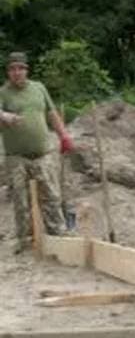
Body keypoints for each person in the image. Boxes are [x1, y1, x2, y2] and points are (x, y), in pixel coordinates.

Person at [2, 51, 74, 247]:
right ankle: (25, 239)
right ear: (8, 72)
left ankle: (58, 233)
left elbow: (51, 114)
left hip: (42, 153)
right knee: (21, 199)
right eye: (12, 69)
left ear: (26, 70)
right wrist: (4, 116)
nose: (17, 72)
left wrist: (64, 136)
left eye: (20, 68)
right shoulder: (3, 92)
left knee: (50, 194)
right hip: (16, 156)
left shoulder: (39, 88)